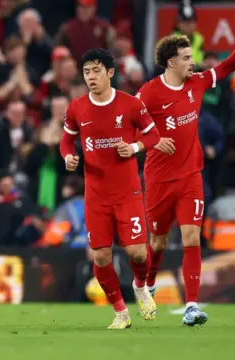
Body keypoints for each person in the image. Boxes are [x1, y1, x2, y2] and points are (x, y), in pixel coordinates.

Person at [137, 20, 235, 326]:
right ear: (171, 62)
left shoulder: (197, 83)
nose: (193, 62)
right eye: (187, 58)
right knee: (158, 242)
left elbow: (225, 69)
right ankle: (147, 284)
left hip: (190, 176)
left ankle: (191, 306)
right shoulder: (148, 93)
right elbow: (128, 126)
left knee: (191, 236)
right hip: (159, 179)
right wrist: (154, 140)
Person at [59, 48, 175, 329]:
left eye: (96, 71)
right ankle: (121, 312)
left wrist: (134, 147)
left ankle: (139, 286)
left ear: (110, 72)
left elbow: (153, 134)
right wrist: (68, 157)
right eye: (86, 72)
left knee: (137, 253)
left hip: (127, 192)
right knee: (100, 256)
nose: (91, 77)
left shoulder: (130, 105)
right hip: (96, 195)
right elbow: (66, 141)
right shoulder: (76, 107)